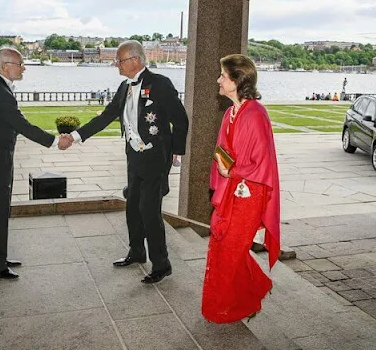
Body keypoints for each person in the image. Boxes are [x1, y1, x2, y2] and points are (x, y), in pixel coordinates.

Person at [59, 40, 189, 284]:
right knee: (133, 207)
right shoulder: (124, 87)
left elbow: (180, 120)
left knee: (150, 211)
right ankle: (137, 252)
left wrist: (177, 152)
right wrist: (75, 137)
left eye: (119, 60)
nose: (116, 64)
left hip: (155, 157)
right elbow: (106, 117)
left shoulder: (160, 84)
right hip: (134, 156)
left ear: (136, 60)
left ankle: (162, 264)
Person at [0, 46, 66, 280]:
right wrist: (55, 141)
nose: (24, 67)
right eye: (20, 64)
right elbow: (22, 124)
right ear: (6, 67)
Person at [202, 54, 280, 323]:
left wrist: (232, 171)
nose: (218, 80)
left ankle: (234, 303)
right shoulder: (230, 112)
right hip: (231, 190)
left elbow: (262, 163)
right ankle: (253, 289)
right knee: (221, 245)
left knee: (231, 250)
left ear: (236, 80)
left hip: (250, 194)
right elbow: (223, 152)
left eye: (223, 76)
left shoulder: (256, 114)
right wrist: (222, 177)